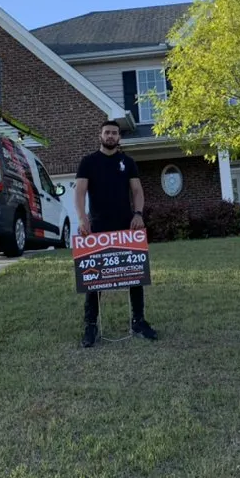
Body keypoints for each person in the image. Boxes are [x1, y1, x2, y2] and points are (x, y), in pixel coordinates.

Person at [74, 120, 158, 347]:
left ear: (119, 137)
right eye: (107, 132)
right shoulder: (88, 162)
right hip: (98, 227)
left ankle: (138, 321)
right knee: (94, 279)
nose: (110, 136)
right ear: (100, 135)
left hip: (126, 226)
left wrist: (138, 214)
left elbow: (137, 190)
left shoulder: (127, 162)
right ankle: (90, 326)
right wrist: (83, 220)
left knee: (135, 273)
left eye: (114, 133)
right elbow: (80, 193)